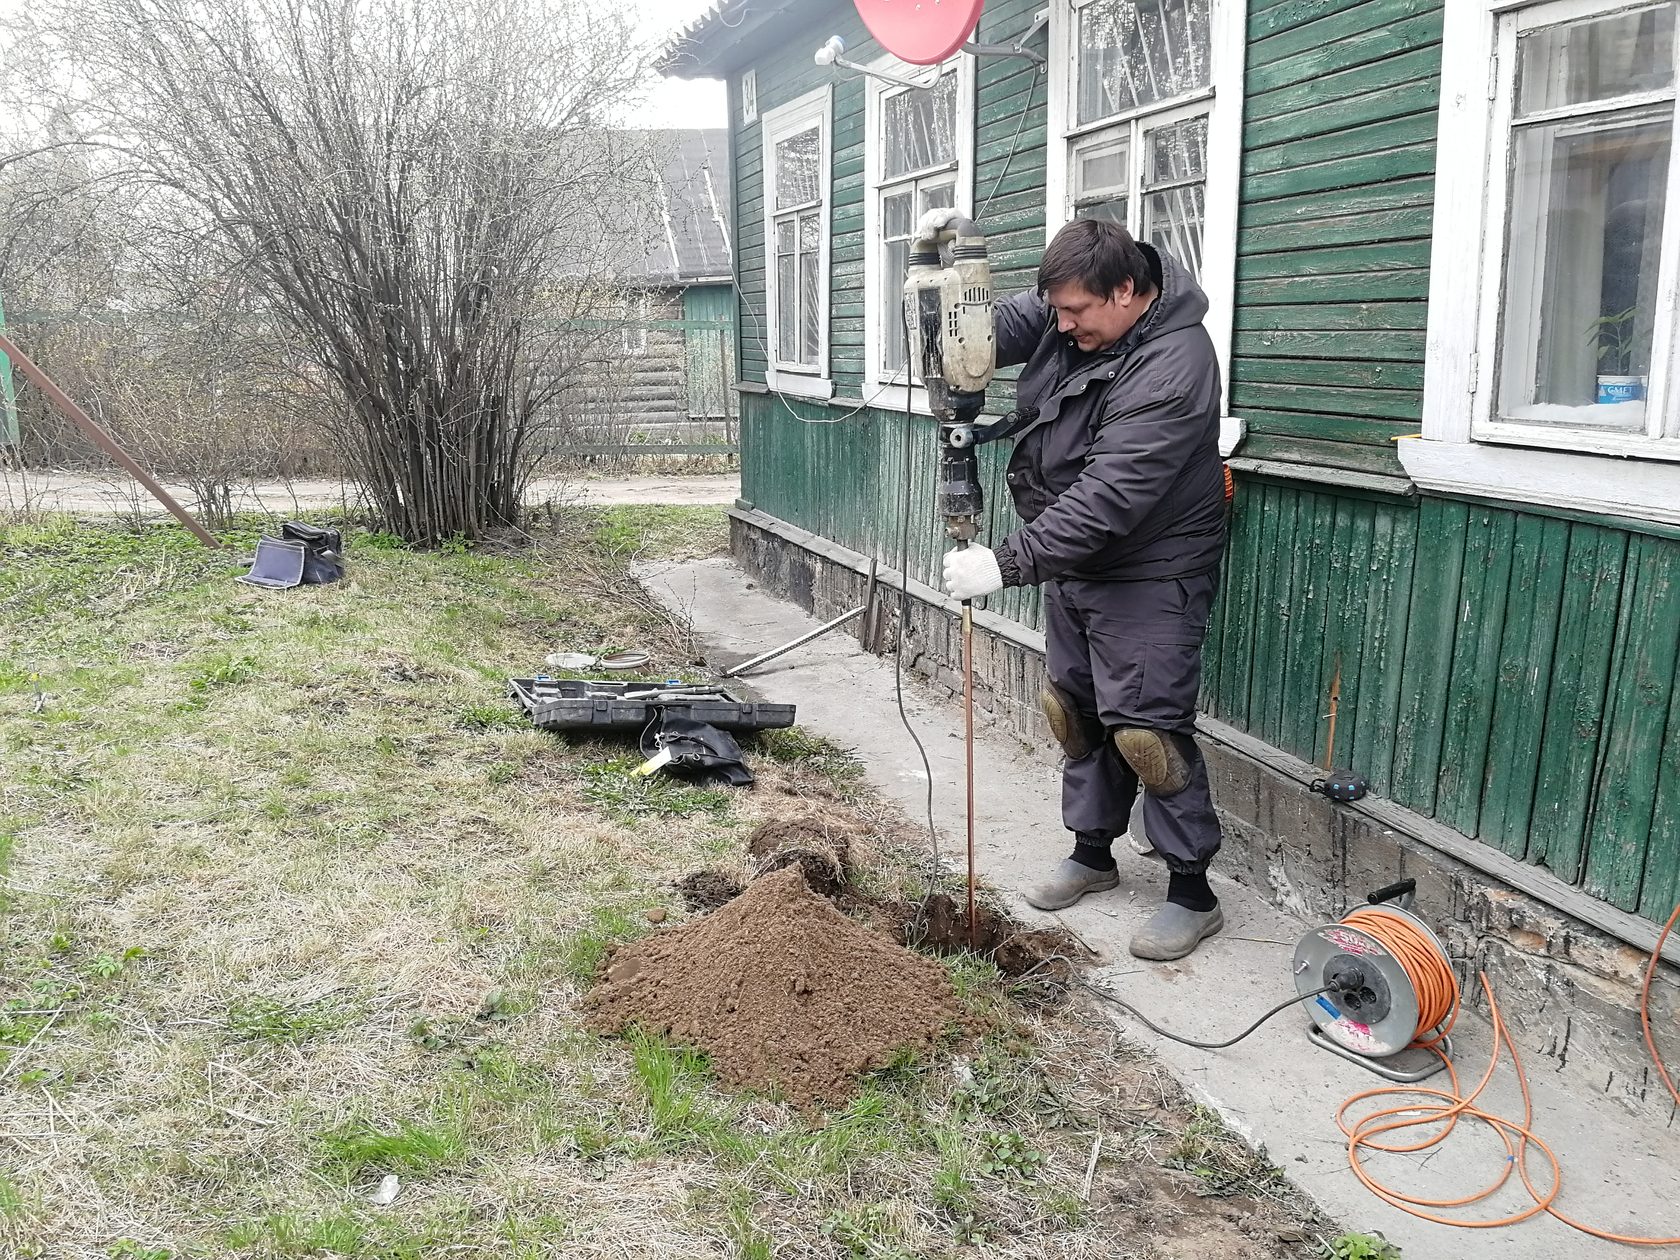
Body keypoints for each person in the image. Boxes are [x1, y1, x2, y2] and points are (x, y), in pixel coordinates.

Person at [940, 217, 1227, 962]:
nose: (1061, 326)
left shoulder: (1176, 364)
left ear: (1127, 291)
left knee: (1147, 730)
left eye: (1075, 314)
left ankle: (1192, 892)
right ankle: (1093, 853)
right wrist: (953, 312)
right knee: (1077, 712)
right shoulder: (1077, 303)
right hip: (1073, 562)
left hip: (1149, 566)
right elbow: (998, 329)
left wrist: (1005, 563)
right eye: (1055, 310)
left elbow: (1110, 496)